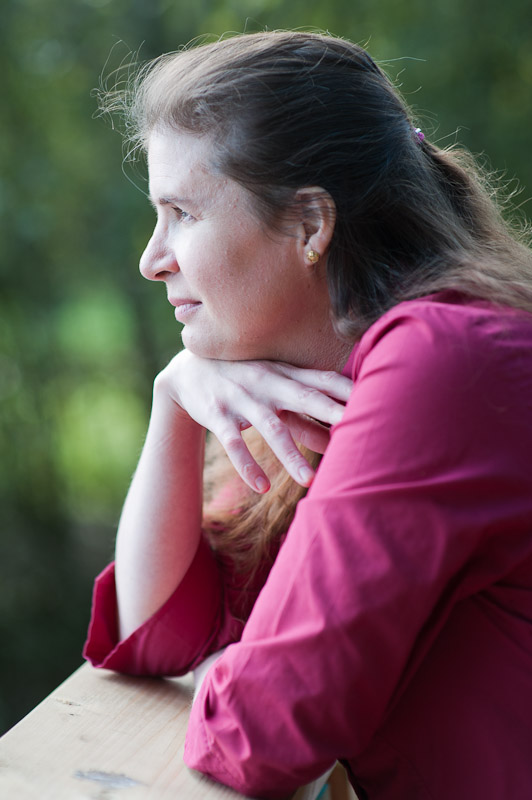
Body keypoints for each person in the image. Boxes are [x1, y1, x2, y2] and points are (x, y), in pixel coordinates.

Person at [84, 30, 532, 800]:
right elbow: (162, 634)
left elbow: (257, 733)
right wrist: (174, 399)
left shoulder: (444, 362)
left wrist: (236, 676)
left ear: (309, 226)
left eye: (181, 213)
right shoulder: (328, 386)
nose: (152, 259)